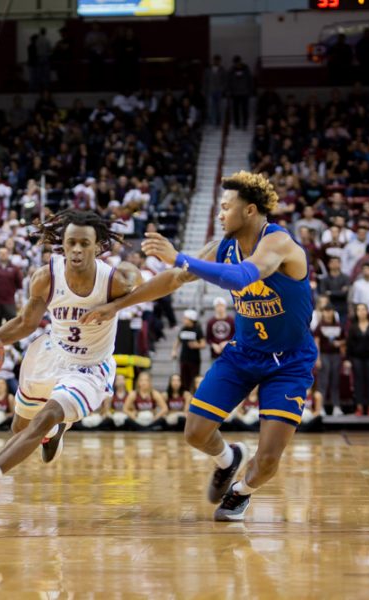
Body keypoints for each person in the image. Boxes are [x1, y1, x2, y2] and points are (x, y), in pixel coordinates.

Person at [81, 171, 316, 521]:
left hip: (290, 362)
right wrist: (118, 305)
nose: (220, 214)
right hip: (243, 353)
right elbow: (176, 279)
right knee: (195, 433)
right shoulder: (225, 244)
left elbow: (241, 276)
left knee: (267, 462)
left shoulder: (278, 244)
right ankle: (228, 459)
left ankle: (241, 492)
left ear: (249, 210)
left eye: (226, 207)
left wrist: (180, 257)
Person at [0, 210, 138, 517]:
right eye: (71, 242)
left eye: (84, 243)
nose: (76, 249)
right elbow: (25, 322)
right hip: (49, 354)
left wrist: (118, 301)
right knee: (19, 427)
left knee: (45, 416)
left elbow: (140, 285)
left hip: (88, 367)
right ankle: (54, 433)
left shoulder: (113, 280)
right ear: (62, 244)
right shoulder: (46, 276)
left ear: (97, 246)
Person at [346, 303, 369, 417]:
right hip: (357, 358)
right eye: (359, 310)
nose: (361, 312)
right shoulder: (353, 327)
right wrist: (347, 359)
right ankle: (359, 407)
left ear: (367, 311)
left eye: (363, 309)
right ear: (356, 312)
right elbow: (349, 345)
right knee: (358, 382)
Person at [313, 305, 345, 416]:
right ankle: (320, 407)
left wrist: (340, 344)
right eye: (325, 311)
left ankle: (336, 406)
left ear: (333, 313)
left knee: (335, 381)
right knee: (323, 381)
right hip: (324, 355)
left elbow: (344, 340)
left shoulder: (338, 325)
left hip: (335, 356)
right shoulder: (320, 326)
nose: (327, 314)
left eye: (329, 311)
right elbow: (316, 343)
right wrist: (317, 358)